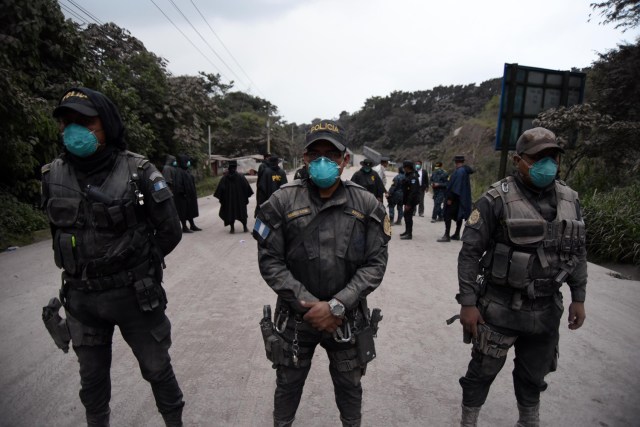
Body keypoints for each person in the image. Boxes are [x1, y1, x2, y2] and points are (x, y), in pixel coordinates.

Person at [41, 87, 185, 426]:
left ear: (106, 123)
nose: (74, 130)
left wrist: (138, 263)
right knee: (92, 384)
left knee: (157, 369)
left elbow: (170, 231)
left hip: (135, 297)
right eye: (67, 122)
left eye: (85, 121)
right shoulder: (53, 176)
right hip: (82, 301)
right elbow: (58, 233)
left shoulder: (140, 171)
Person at [253, 119, 390, 427]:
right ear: (305, 158)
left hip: (348, 318)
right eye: (316, 154)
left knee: (350, 387)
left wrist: (337, 305)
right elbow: (270, 260)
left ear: (344, 159)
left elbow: (375, 264)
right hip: (296, 318)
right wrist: (308, 304)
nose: (323, 161)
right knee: (287, 386)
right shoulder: (281, 201)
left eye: (332, 154)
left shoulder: (366, 204)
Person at [455, 127, 587, 427]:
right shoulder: (495, 199)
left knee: (534, 376)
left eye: (552, 156)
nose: (547, 163)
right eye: (538, 157)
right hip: (499, 308)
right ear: (518, 160)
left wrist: (579, 297)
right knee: (482, 372)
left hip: (546, 310)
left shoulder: (570, 199)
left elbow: (577, 252)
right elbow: (469, 253)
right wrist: (468, 302)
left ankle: (528, 421)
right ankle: (468, 421)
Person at [437, 155, 474, 242]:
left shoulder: (459, 172)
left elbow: (456, 187)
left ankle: (447, 235)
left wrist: (450, 198)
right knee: (458, 216)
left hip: (455, 198)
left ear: (456, 162)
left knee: (447, 215)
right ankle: (457, 234)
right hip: (461, 198)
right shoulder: (464, 171)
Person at [214, 159, 253, 233]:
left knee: (230, 213)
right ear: (235, 167)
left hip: (229, 201)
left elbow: (220, 190)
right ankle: (245, 227)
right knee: (242, 213)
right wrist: (245, 197)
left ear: (229, 167)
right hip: (240, 201)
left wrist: (223, 199)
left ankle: (232, 229)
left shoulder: (224, 178)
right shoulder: (241, 177)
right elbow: (247, 188)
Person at [173, 154, 201, 232]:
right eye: (186, 161)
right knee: (183, 211)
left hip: (189, 196)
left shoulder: (186, 170)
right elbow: (178, 184)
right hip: (182, 196)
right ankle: (184, 227)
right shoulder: (179, 171)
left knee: (190, 210)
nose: (188, 163)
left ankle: (192, 225)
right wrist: (183, 193)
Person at [400, 160, 420, 240]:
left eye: (404, 167)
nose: (404, 169)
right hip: (408, 199)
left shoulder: (413, 177)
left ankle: (409, 234)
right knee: (406, 215)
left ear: (408, 167)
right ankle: (407, 231)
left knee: (408, 216)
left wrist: (408, 204)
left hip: (411, 201)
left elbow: (413, 192)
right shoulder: (408, 175)